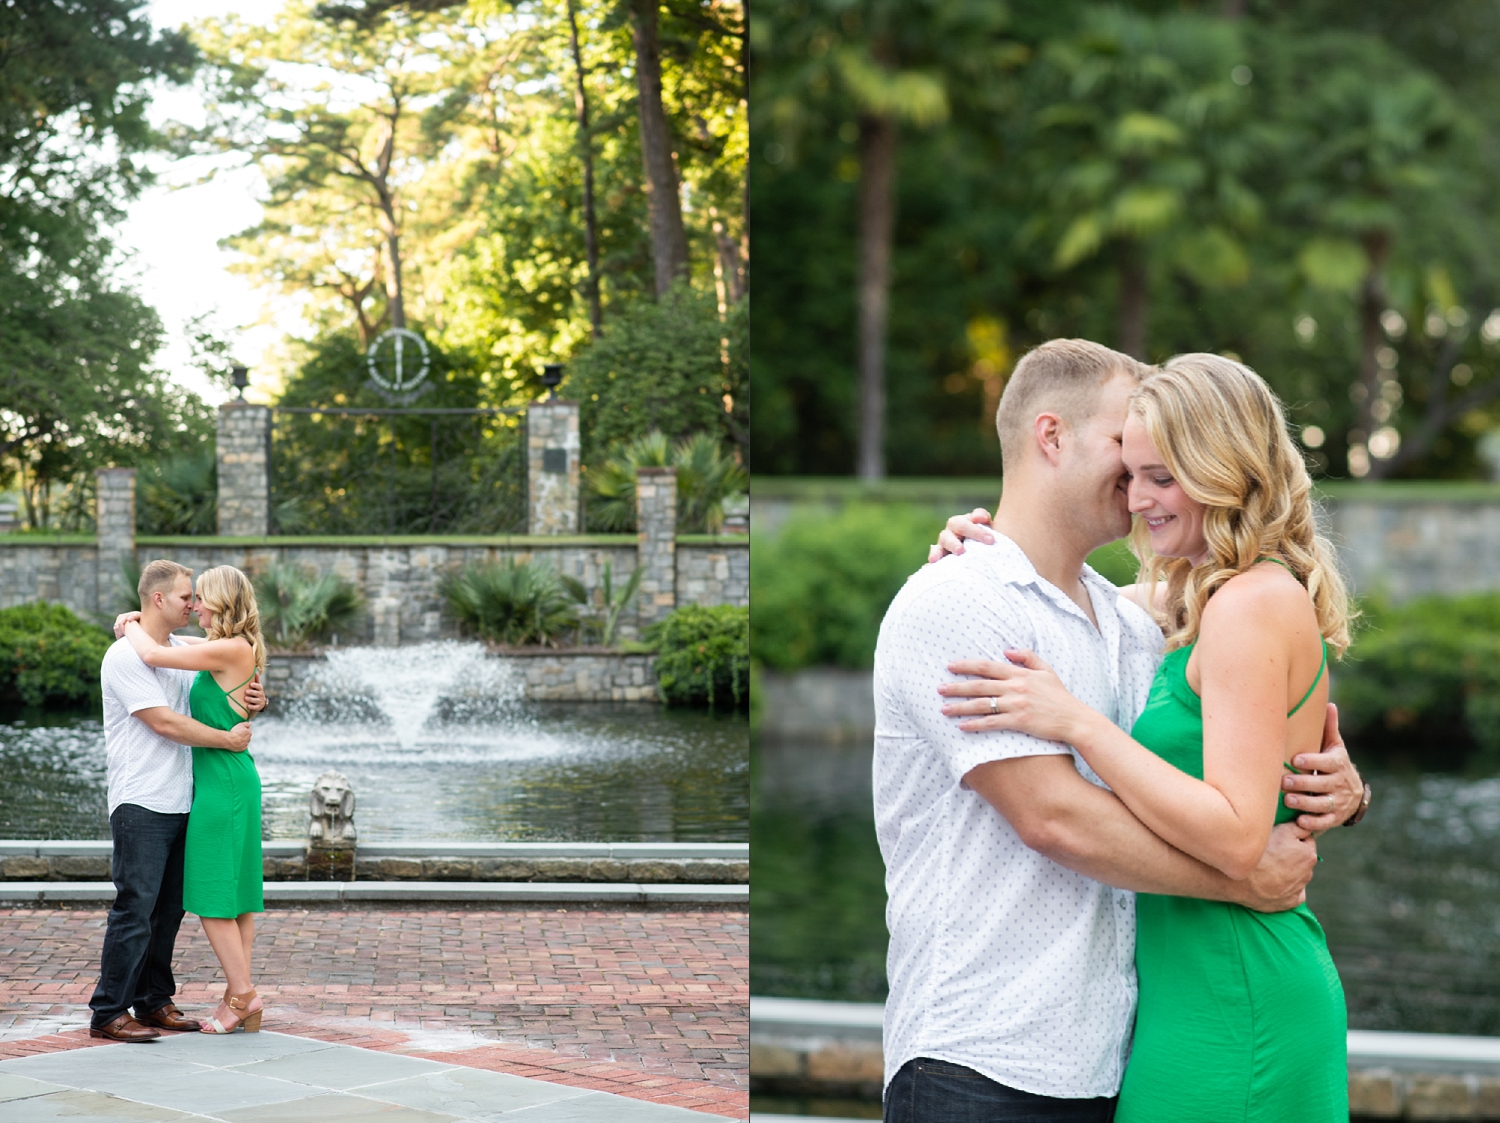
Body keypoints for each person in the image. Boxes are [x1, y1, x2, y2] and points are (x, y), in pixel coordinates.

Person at [872, 339, 1366, 1122]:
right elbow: (1054, 815)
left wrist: (1338, 785)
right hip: (982, 1062)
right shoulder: (961, 599)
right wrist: (1243, 879)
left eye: (1159, 466)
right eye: (1126, 453)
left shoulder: (1132, 621)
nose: (1136, 487)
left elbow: (1247, 693)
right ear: (1051, 436)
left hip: (1108, 1057)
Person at [89, 560, 265, 1043]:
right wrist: (226, 739)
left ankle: (153, 1001)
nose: (193, 603)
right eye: (187, 596)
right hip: (142, 800)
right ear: (159, 599)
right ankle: (109, 1010)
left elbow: (217, 676)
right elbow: (165, 722)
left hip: (187, 796)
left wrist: (253, 698)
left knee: (168, 912)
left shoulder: (182, 650)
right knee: (135, 908)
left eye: (198, 596)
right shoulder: (126, 657)